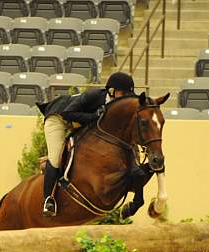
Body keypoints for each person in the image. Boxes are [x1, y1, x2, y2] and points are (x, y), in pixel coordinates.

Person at [36, 72, 136, 217]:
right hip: (58, 118)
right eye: (123, 93)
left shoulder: (115, 107)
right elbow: (67, 113)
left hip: (76, 123)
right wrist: (95, 116)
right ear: (112, 91)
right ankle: (48, 200)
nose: (125, 97)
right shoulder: (95, 96)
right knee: (56, 158)